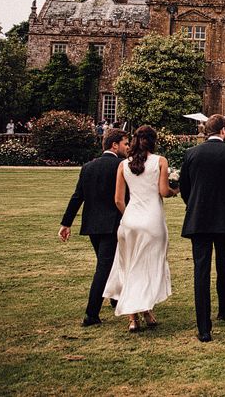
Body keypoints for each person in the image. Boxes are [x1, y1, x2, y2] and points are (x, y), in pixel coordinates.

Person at [179, 114, 225, 342]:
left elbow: (184, 188)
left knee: (201, 271)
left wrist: (194, 204)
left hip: (198, 219)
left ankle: (204, 327)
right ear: (223, 131)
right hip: (224, 219)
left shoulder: (191, 153)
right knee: (223, 264)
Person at [103, 125, 176, 332]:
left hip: (129, 222)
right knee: (148, 268)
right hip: (152, 222)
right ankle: (138, 313)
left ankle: (138, 315)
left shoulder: (123, 165)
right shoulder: (160, 161)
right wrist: (174, 190)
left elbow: (118, 200)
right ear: (153, 141)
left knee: (129, 267)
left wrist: (130, 215)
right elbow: (163, 191)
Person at [58, 128, 130, 326]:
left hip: (92, 224)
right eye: (125, 143)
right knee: (104, 267)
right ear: (114, 145)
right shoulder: (122, 165)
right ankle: (91, 314)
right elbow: (127, 196)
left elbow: (77, 197)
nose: (128, 147)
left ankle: (115, 299)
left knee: (106, 264)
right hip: (112, 224)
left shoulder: (88, 166)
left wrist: (66, 223)